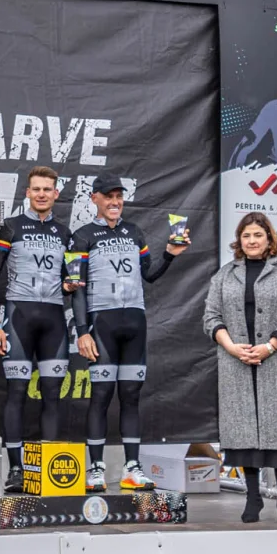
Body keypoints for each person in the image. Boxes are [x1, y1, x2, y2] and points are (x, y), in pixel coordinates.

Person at [69, 173, 190, 492]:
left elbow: (149, 275)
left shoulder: (135, 233)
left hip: (135, 323)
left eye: (119, 196)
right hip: (102, 324)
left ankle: (132, 468)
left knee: (132, 396)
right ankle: (95, 468)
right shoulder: (81, 237)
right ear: (94, 198)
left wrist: (169, 255)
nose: (115, 201)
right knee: (101, 395)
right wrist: (83, 332)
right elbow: (75, 289)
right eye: (108, 196)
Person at [205, 212, 277, 525]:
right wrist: (231, 346)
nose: (252, 241)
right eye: (246, 236)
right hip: (237, 363)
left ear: (269, 239)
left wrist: (270, 346)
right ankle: (252, 497)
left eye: (258, 235)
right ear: (239, 240)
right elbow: (211, 316)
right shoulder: (224, 275)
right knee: (245, 435)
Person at [0, 166, 71, 492]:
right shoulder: (11, 227)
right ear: (27, 193)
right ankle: (16, 470)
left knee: (52, 394)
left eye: (47, 189)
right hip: (17, 318)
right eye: (36, 189)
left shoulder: (65, 234)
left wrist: (72, 284)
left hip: (54, 322)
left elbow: (69, 283)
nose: (42, 194)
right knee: (17, 392)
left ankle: (48, 469)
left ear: (56, 194)